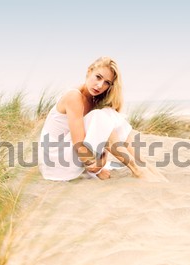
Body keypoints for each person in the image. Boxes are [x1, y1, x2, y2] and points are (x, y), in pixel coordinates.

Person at [38, 56, 166, 182]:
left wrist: (102, 158)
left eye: (107, 83)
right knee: (100, 116)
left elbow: (103, 136)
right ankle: (138, 170)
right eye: (98, 77)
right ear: (89, 71)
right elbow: (79, 144)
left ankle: (143, 164)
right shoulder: (74, 97)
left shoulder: (94, 99)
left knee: (109, 113)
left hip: (69, 153)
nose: (100, 85)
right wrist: (98, 170)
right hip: (56, 161)